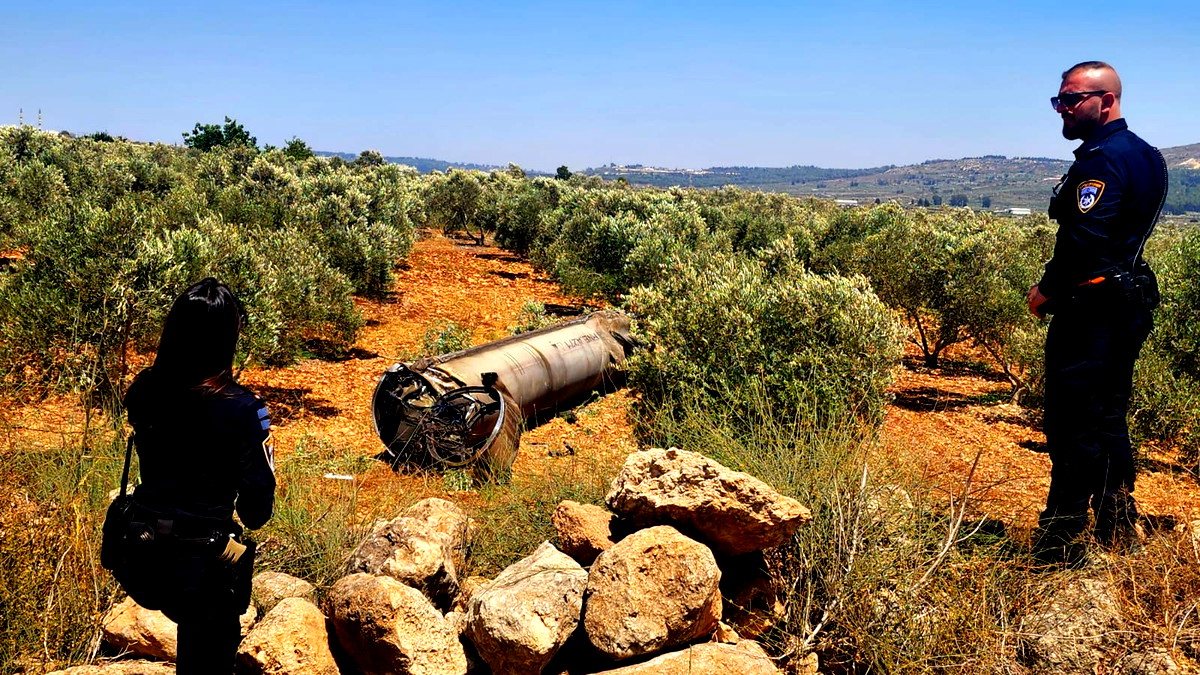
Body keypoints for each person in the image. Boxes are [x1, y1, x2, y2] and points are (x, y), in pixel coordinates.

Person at [1026, 61, 1167, 565]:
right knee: (1107, 415)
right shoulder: (1145, 155)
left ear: (1105, 100)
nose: (1061, 108)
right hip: (1122, 302)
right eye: (1058, 100)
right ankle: (1115, 526)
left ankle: (1060, 540)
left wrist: (1048, 289)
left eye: (1071, 99)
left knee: (1072, 422)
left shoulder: (1104, 160)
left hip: (1093, 308)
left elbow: (1087, 239)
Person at [121, 278, 276, 673]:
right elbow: (258, 510)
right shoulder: (243, 408)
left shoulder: (144, 391)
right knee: (209, 644)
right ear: (228, 337)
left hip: (142, 555)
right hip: (201, 564)